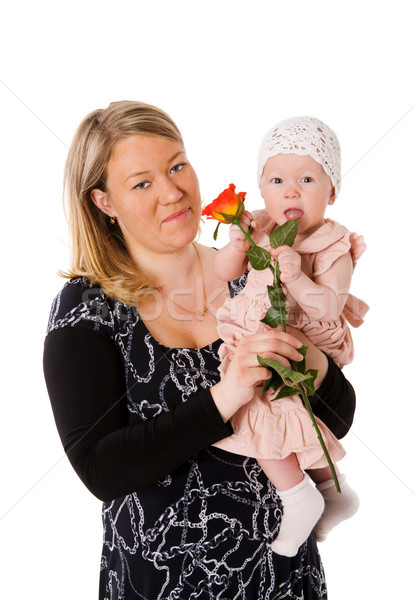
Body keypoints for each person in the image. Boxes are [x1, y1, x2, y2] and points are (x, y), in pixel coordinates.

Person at [43, 101, 357, 599]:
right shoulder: (88, 308)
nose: (172, 192)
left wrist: (308, 360)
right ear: (104, 203)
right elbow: (101, 469)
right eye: (142, 183)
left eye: (177, 166)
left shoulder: (253, 271)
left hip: (283, 581)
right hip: (159, 585)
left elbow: (332, 421)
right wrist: (226, 396)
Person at [210, 116, 368, 556]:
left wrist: (298, 279)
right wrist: (234, 249)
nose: (291, 190)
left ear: (332, 191)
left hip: (303, 336)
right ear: (262, 189)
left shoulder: (334, 246)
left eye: (307, 179)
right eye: (277, 179)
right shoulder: (259, 226)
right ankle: (329, 489)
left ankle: (297, 495)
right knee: (264, 406)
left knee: (260, 406)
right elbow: (223, 273)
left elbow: (329, 307)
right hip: (261, 332)